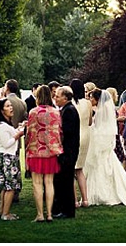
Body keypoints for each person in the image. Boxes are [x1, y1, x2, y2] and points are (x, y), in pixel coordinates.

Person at [84, 88, 126, 206]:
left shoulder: (100, 111)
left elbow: (98, 128)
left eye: (91, 97)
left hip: (101, 142)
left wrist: (89, 130)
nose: (90, 100)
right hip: (106, 142)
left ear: (97, 99)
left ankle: (103, 193)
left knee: (102, 167)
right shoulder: (106, 109)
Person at [25, 85, 62, 223]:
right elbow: (59, 131)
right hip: (51, 151)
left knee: (37, 183)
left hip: (36, 151)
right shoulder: (56, 112)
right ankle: (50, 214)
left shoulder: (33, 112)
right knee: (49, 182)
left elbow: (29, 134)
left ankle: (40, 214)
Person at [0, 98, 25, 221]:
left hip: (6, 156)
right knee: (10, 186)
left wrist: (19, 128)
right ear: (2, 110)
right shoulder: (1, 126)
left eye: (11, 105)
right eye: (7, 106)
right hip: (8, 157)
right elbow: (7, 143)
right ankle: (6, 214)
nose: (11, 108)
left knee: (5, 186)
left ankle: (2, 210)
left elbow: (10, 136)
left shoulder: (5, 125)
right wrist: (18, 135)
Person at [52, 85, 80, 219]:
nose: (55, 98)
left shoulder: (69, 111)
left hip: (68, 151)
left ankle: (67, 211)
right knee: (63, 180)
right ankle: (62, 208)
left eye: (57, 96)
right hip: (68, 150)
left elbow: (66, 132)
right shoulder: (66, 109)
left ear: (65, 97)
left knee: (66, 181)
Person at [0, 79, 28, 203]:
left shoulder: (4, 102)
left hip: (6, 136)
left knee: (6, 166)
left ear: (7, 88)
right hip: (18, 135)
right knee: (16, 164)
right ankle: (16, 191)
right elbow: (24, 119)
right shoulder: (22, 103)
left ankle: (7, 191)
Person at [70, 78, 92, 208]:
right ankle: (85, 199)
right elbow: (90, 121)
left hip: (75, 135)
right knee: (80, 170)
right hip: (86, 134)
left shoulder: (71, 103)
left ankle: (74, 201)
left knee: (72, 170)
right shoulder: (88, 103)